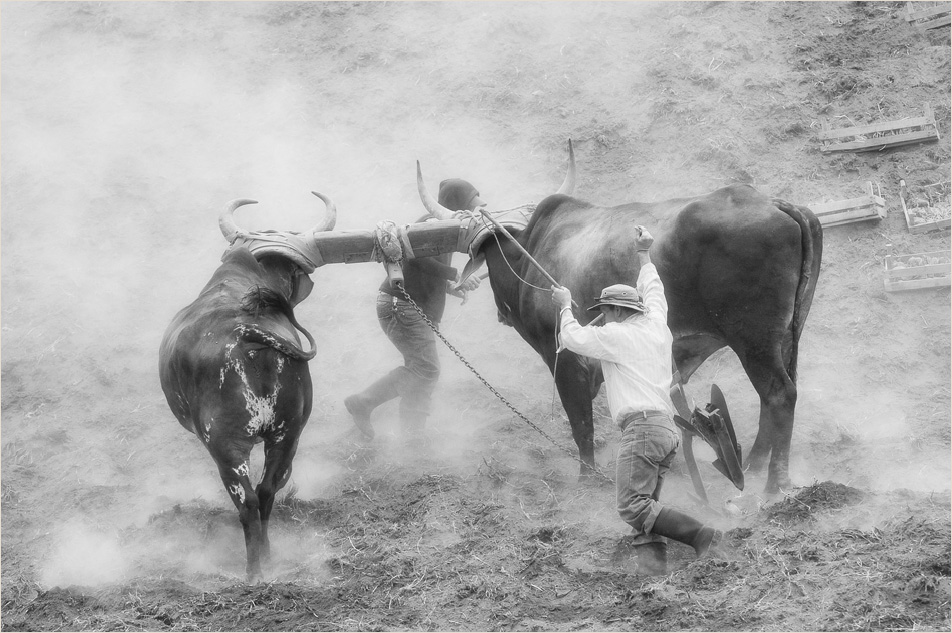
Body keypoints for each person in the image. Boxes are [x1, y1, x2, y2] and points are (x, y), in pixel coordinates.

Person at [550, 225, 721, 575]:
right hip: (665, 429)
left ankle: (703, 536)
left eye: (605, 310)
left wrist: (565, 306)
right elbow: (654, 290)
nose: (604, 316)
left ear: (614, 311)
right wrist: (644, 253)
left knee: (631, 506)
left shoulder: (616, 336)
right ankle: (653, 570)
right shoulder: (657, 324)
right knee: (647, 502)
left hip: (642, 428)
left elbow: (572, 339)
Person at [344, 179, 483, 438]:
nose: (472, 213)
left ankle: (412, 436)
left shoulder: (447, 227)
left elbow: (424, 272)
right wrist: (455, 275)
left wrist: (450, 286)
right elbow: (415, 257)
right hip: (402, 305)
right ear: (455, 205)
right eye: (468, 207)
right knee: (426, 370)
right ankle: (363, 402)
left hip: (403, 305)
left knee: (419, 369)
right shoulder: (430, 224)